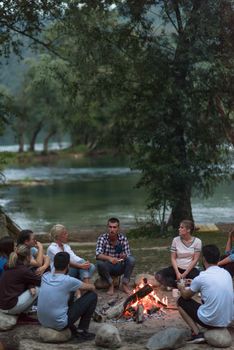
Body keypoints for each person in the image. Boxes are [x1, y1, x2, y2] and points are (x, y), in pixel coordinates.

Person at [177, 244, 234, 344]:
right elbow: (210, 286)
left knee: (180, 301)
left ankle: (197, 333)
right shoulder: (226, 273)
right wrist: (195, 283)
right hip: (227, 320)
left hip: (211, 321)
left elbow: (186, 295)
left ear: (204, 259)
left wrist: (181, 287)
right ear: (218, 258)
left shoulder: (202, 276)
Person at [37, 252, 97, 341]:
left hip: (43, 321)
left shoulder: (45, 276)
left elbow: (46, 260)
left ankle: (73, 328)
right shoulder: (68, 280)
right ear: (68, 266)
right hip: (59, 324)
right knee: (92, 296)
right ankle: (82, 331)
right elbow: (92, 288)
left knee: (69, 292)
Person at [155, 220, 201, 288]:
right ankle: (179, 284)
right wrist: (177, 273)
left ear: (188, 230)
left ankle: (182, 283)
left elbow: (195, 259)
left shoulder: (197, 241)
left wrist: (185, 273)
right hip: (177, 268)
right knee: (159, 275)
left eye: (182, 227)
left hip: (190, 269)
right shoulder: (175, 240)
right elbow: (173, 258)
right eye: (179, 227)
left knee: (200, 279)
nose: (179, 229)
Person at [96, 217, 135, 295]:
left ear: (118, 228)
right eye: (110, 227)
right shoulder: (102, 238)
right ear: (107, 228)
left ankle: (124, 284)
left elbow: (128, 254)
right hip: (107, 267)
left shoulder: (123, 239)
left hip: (119, 266)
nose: (112, 229)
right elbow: (98, 254)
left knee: (131, 259)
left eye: (114, 227)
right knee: (99, 263)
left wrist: (124, 256)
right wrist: (110, 258)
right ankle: (111, 284)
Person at [0, 245, 41, 315]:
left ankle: (23, 311)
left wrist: (30, 285)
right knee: (38, 289)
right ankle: (24, 312)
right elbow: (40, 281)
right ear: (28, 257)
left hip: (3, 305)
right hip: (10, 307)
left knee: (32, 286)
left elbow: (23, 279)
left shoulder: (10, 265)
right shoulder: (23, 270)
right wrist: (31, 285)